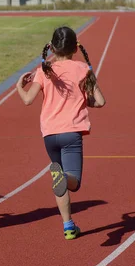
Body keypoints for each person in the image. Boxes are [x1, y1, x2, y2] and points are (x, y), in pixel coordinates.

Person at [16, 26, 106, 240]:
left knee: (61, 185)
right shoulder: (82, 68)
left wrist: (19, 86)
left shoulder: (44, 70)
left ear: (52, 47)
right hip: (71, 133)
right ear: (76, 48)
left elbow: (28, 99)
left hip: (49, 134)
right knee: (72, 181)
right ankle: (63, 177)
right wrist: (85, 100)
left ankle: (68, 225)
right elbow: (101, 101)